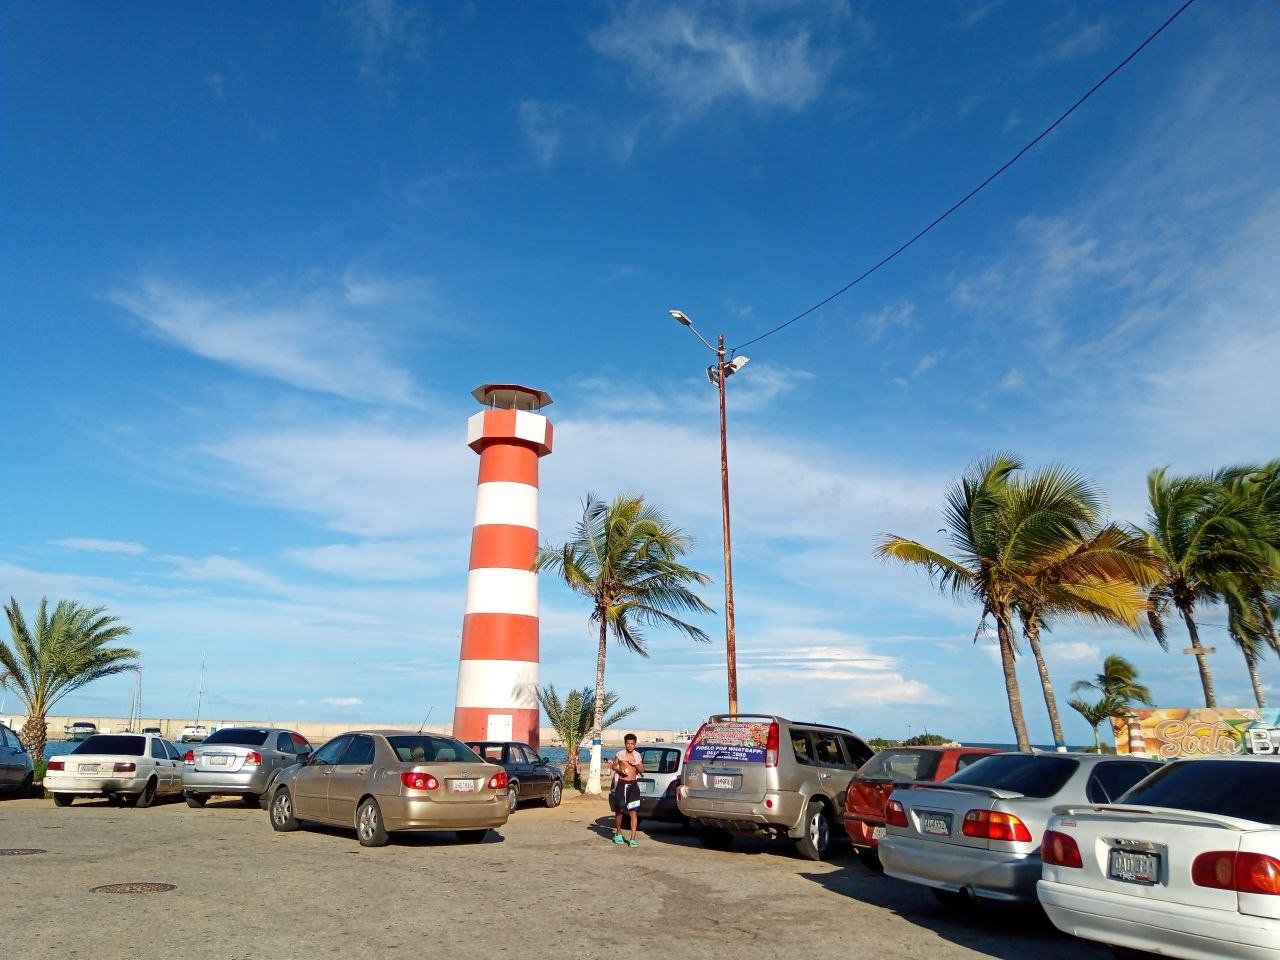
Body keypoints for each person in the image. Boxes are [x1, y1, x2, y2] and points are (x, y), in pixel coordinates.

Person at [609, 734, 643, 847]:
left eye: (632, 744)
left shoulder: (637, 755)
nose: (630, 746)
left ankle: (633, 838)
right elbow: (613, 766)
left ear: (635, 744)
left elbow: (642, 770)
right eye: (628, 743)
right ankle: (618, 833)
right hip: (622, 784)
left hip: (633, 785)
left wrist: (636, 764)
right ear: (625, 744)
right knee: (619, 810)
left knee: (633, 811)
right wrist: (620, 771)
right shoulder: (620, 754)